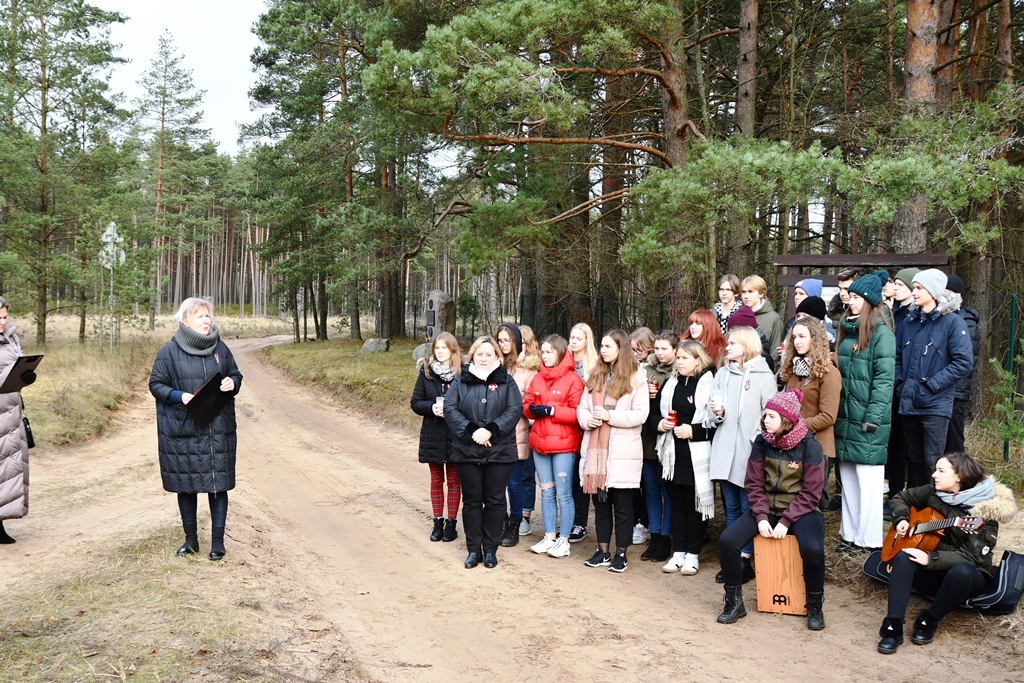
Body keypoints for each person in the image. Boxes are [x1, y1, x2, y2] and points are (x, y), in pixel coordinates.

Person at [877, 452, 1017, 654]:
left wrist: (930, 558)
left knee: (962, 571)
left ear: (959, 476)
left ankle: (930, 619)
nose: (934, 474)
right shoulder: (935, 492)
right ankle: (893, 626)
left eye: (941, 471)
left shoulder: (984, 512)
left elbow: (972, 557)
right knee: (903, 556)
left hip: (967, 580)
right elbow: (901, 497)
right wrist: (902, 521)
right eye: (935, 469)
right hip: (935, 571)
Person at [716, 389, 827, 630]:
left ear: (787, 420)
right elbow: (753, 484)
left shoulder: (811, 447)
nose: (765, 420)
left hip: (801, 511)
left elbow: (811, 493)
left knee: (813, 549)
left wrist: (786, 521)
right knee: (727, 541)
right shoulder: (761, 442)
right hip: (766, 508)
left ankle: (815, 604)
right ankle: (734, 602)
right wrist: (762, 516)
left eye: (772, 416)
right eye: (765, 415)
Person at [149, 297, 243, 561]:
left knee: (217, 484)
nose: (206, 320)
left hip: (217, 428)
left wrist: (232, 384)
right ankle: (191, 542)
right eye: (200, 316)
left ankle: (217, 543)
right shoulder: (168, 353)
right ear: (184, 321)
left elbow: (235, 374)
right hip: (184, 428)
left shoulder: (221, 348)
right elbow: (156, 384)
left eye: (208, 315)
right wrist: (180, 396)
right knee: (186, 485)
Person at [444, 336, 523, 569]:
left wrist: (490, 431)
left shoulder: (507, 382)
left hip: (500, 452)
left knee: (495, 502)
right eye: (480, 354)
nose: (484, 358)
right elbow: (450, 408)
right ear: (473, 355)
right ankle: (473, 549)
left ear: (497, 356)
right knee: (471, 502)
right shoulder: (461, 380)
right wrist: (472, 431)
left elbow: (514, 409)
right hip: (467, 451)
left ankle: (490, 550)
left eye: (489, 354)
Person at [708, 326, 777, 583]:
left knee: (750, 506)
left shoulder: (764, 376)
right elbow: (712, 410)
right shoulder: (723, 373)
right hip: (726, 448)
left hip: (751, 451)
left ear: (746, 346)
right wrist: (718, 412)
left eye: (733, 343)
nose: (727, 347)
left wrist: (754, 441)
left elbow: (769, 415)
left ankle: (745, 559)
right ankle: (731, 556)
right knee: (732, 506)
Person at [577, 329, 649, 573]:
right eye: (602, 346)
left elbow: (640, 414)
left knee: (623, 506)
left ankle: (621, 553)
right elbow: (582, 407)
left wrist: (610, 416)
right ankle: (602, 550)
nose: (603, 350)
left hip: (622, 451)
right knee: (600, 504)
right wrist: (588, 420)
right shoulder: (595, 374)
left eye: (608, 346)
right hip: (596, 450)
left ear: (621, 349)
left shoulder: (636, 376)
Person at [895, 269, 973, 489]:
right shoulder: (909, 321)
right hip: (909, 402)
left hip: (935, 405)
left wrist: (932, 385)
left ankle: (937, 514)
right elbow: (898, 357)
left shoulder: (953, 322)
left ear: (934, 291)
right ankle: (915, 511)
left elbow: (963, 362)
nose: (915, 292)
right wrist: (901, 384)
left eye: (919, 288)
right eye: (915, 287)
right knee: (914, 460)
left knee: (934, 461)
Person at [834, 271, 894, 553]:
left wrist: (873, 416)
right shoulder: (847, 329)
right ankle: (850, 535)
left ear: (869, 301)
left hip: (868, 419)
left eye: (857, 297)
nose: (851, 300)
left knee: (868, 484)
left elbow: (884, 380)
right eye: (850, 296)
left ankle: (869, 540)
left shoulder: (882, 333)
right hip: (844, 416)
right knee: (848, 482)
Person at [655, 340, 715, 575]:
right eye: (677, 357)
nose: (679, 362)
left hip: (696, 453)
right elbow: (652, 414)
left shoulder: (707, 383)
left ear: (697, 360)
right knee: (676, 505)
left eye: (684, 358)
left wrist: (694, 430)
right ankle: (678, 552)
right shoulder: (671, 383)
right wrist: (660, 424)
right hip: (671, 454)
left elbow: (716, 422)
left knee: (694, 507)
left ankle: (693, 555)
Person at [524, 335, 584, 558]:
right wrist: (532, 410)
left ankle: (564, 540)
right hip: (540, 444)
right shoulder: (538, 378)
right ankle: (549, 536)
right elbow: (527, 404)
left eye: (549, 352)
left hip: (564, 446)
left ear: (559, 353)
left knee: (563, 494)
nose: (544, 355)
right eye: (542, 352)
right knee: (546, 492)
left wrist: (553, 411)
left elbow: (578, 413)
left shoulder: (573, 380)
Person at [780, 317, 840, 510]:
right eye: (794, 337)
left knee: (811, 506)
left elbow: (828, 416)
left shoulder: (828, 372)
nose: (797, 341)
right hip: (792, 445)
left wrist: (795, 427)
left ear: (815, 338)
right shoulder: (794, 370)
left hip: (817, 447)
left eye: (802, 336)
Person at [410, 332, 462, 543]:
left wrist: (453, 410)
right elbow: (415, 402)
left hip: (454, 434)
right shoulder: (426, 373)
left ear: (452, 350)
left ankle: (451, 523)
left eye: (444, 348)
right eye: (437, 348)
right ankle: (437, 522)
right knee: (436, 480)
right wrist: (431, 407)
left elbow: (469, 403)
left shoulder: (462, 373)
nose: (440, 352)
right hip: (432, 433)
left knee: (453, 480)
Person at [495, 323, 539, 548]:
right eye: (500, 340)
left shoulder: (528, 371)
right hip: (492, 434)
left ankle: (515, 522)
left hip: (516, 433)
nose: (503, 345)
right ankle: (501, 521)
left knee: (514, 481)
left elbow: (530, 405)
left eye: (507, 340)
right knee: (496, 483)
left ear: (517, 342)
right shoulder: (492, 366)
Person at [639, 330, 678, 562]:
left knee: (667, 492)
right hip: (647, 437)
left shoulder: (679, 369)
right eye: (658, 348)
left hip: (669, 440)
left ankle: (665, 537)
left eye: (665, 349)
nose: (660, 353)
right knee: (651, 490)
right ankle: (654, 535)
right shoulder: (645, 370)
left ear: (675, 350)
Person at [0, 297, 33, 544]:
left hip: (11, 412)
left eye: (4, 317)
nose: (2, 322)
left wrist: (24, 375)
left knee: (8, 470)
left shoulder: (11, 337)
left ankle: (0, 522)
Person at [885, 268, 919, 499]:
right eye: (894, 284)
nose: (895, 288)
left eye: (901, 285)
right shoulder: (893, 312)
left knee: (904, 449)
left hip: (906, 390)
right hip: (893, 386)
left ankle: (900, 494)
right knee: (894, 446)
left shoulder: (912, 316)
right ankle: (895, 493)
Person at [567, 322, 599, 543]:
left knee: (584, 474)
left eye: (578, 338)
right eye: (572, 337)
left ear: (587, 340)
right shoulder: (565, 361)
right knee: (569, 477)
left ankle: (583, 522)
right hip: (568, 423)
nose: (574, 341)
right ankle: (572, 520)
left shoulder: (594, 365)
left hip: (588, 424)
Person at [943, 275, 980, 455]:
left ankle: (962, 479)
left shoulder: (966, 322)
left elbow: (964, 361)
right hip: (941, 390)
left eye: (946, 292)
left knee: (954, 442)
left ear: (957, 294)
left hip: (956, 391)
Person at [517, 325, 542, 535]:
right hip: (509, 428)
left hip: (529, 427)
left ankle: (525, 515)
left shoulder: (536, 369)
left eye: (522, 342)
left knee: (526, 473)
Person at [740, 275, 783, 366]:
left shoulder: (774, 318)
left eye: (750, 291)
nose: (746, 296)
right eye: (743, 292)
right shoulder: (738, 316)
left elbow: (775, 354)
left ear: (761, 293)